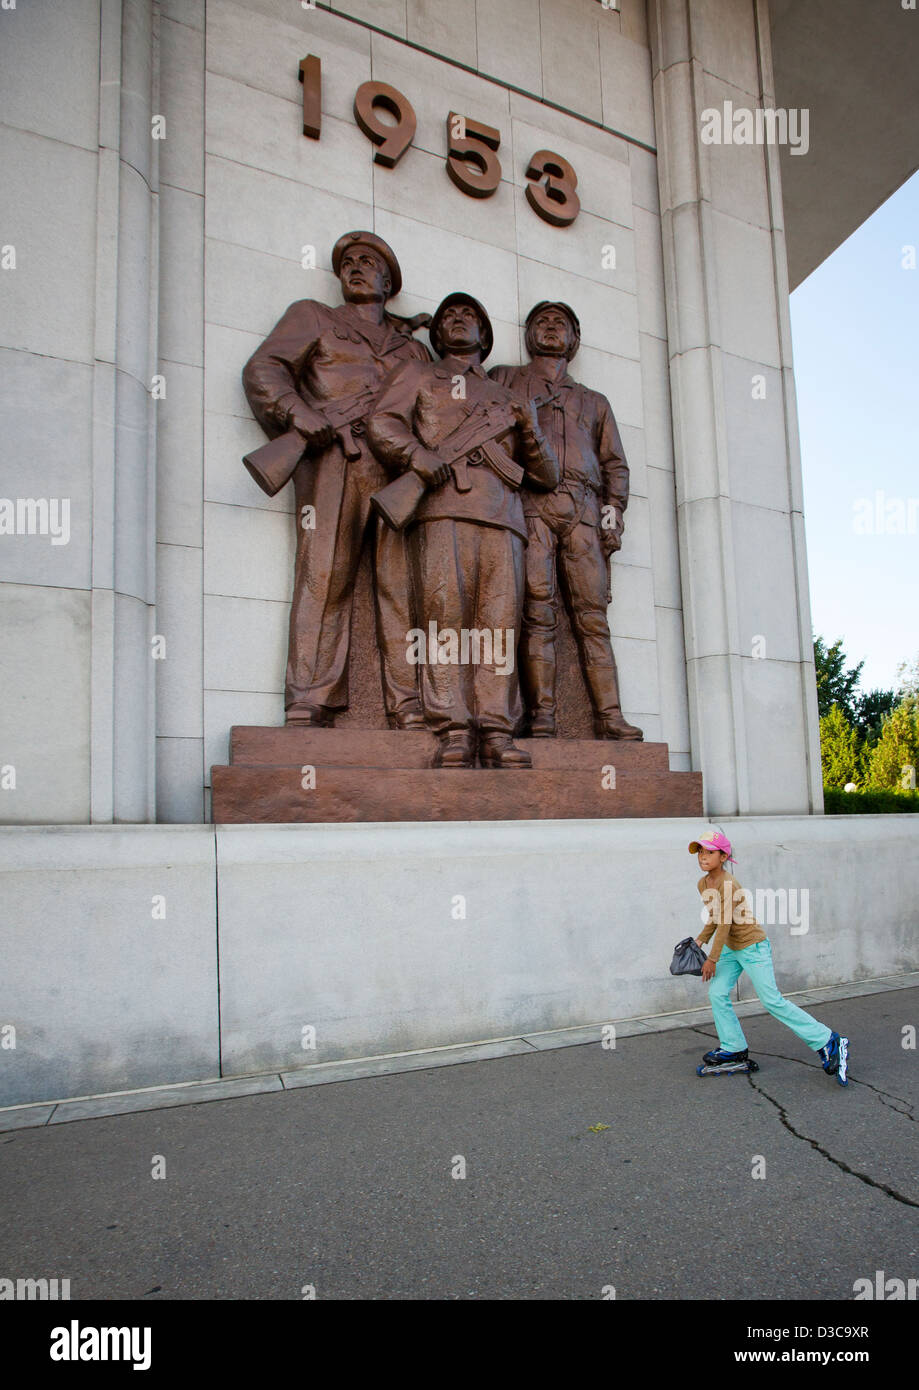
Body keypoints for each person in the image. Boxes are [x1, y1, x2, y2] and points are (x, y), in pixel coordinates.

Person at [241, 230, 430, 729]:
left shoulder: (412, 350)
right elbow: (265, 368)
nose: (356, 267)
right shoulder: (314, 316)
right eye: (348, 262)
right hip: (334, 461)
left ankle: (408, 703)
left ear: (388, 282)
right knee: (323, 575)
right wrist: (298, 414)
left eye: (369, 262)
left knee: (401, 586)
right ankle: (309, 698)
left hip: (396, 470)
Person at [366, 292, 559, 768]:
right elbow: (383, 421)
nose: (458, 320)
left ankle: (496, 729)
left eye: (469, 315)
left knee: (498, 628)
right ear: (437, 333)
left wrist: (529, 429)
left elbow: (545, 475)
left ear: (485, 334)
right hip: (441, 509)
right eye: (449, 314)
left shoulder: (507, 397)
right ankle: (453, 727)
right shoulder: (418, 375)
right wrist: (417, 457)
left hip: (502, 518)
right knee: (444, 619)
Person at [489, 301, 642, 739]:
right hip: (532, 503)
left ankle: (609, 717)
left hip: (585, 510)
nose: (551, 328)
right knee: (537, 613)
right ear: (528, 334)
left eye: (561, 323)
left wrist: (613, 516)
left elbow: (616, 466)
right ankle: (542, 717)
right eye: (542, 322)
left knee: (592, 617)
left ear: (574, 340)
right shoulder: (507, 379)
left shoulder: (594, 402)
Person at [690, 831, 849, 1083]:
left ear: (723, 856)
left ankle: (827, 1040)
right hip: (731, 948)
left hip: (752, 946)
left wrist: (712, 958)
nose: (703, 857)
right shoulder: (703, 883)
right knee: (717, 993)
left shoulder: (729, 884)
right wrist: (699, 940)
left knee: (771, 1000)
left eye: (709, 852)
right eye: (700, 852)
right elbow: (715, 917)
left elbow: (726, 922)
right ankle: (733, 1047)